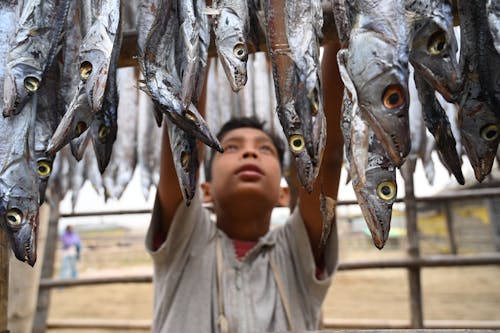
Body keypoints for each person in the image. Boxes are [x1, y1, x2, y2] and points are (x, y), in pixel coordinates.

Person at [145, 43, 343, 333]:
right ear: (206, 190)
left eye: (265, 150)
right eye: (232, 148)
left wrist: (337, 38)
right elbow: (183, 133)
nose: (249, 154)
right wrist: (196, 30)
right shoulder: (185, 242)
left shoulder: (296, 253)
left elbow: (325, 157)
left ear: (283, 194)